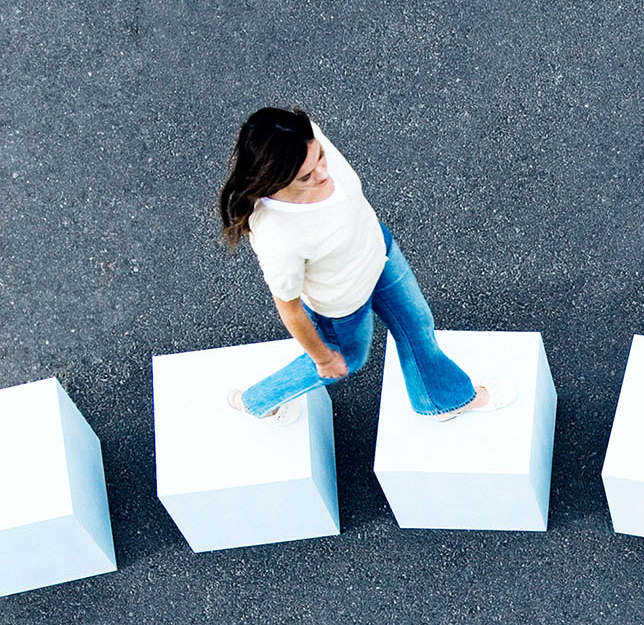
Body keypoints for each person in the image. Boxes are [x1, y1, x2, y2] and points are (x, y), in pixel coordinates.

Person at [217, 105, 512, 425]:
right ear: (273, 180)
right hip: (343, 303)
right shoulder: (278, 236)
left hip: (379, 255)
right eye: (305, 176)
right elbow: (289, 309)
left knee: (417, 324)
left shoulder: (304, 140)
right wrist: (322, 357)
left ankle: (442, 400)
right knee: (340, 363)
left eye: (320, 158)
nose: (322, 174)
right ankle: (257, 401)